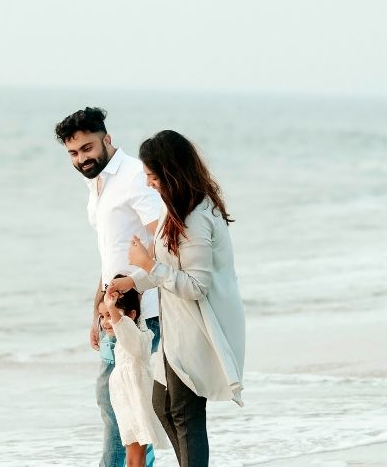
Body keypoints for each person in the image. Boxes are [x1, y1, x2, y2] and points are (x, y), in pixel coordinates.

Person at [107, 130, 245, 467]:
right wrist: (133, 281)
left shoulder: (197, 217)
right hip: (177, 330)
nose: (150, 184)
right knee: (162, 403)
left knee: (185, 413)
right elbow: (169, 269)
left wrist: (147, 264)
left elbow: (196, 286)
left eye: (154, 177)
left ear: (172, 173)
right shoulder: (176, 209)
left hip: (198, 330)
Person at [54, 108, 162, 467]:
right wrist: (95, 313)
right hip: (111, 313)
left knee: (118, 404)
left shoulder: (133, 176)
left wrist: (138, 288)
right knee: (120, 401)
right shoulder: (97, 183)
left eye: (87, 148)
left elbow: (163, 236)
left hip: (137, 313)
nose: (82, 158)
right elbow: (111, 256)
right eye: (73, 153)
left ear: (107, 139)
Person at [98, 275, 169, 466]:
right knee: (132, 453)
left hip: (135, 399)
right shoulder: (133, 334)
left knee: (135, 456)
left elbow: (124, 326)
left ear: (131, 315)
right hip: (126, 400)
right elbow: (129, 321)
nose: (106, 322)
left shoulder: (134, 338)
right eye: (103, 316)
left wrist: (112, 308)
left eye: (111, 315)